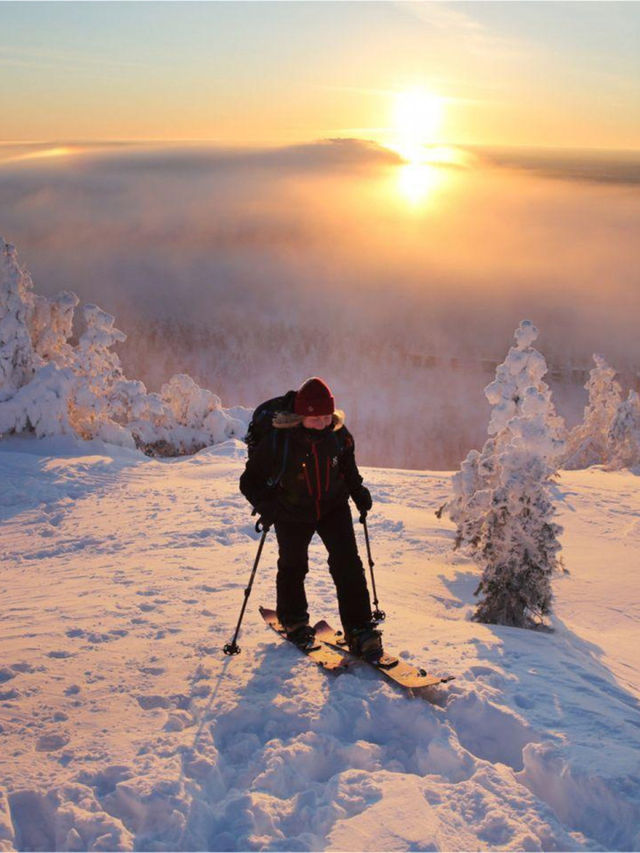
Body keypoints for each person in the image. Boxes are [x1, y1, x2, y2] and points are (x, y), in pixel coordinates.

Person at [239, 377, 383, 660]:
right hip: (291, 511)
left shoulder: (339, 435)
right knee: (293, 566)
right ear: (301, 416)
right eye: (315, 418)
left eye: (327, 417)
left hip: (332, 507)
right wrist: (266, 505)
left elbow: (347, 468)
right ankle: (294, 623)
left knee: (348, 566)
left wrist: (358, 492)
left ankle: (360, 630)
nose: (322, 423)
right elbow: (249, 481)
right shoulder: (279, 441)